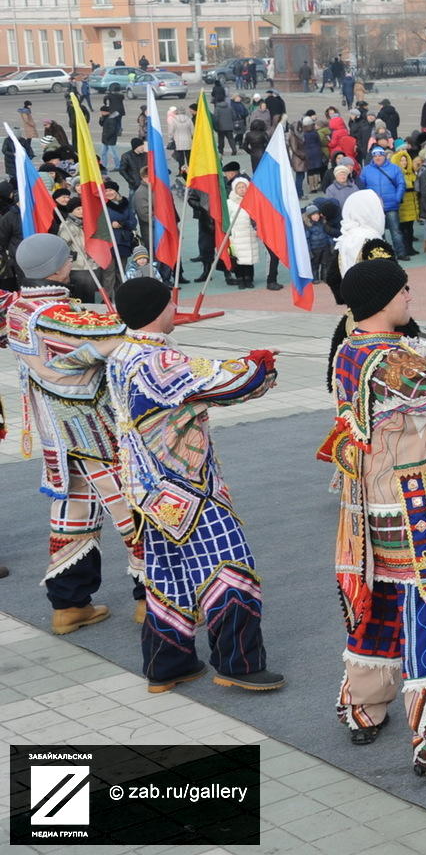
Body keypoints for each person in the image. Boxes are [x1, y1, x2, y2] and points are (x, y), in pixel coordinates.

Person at [321, 258, 426, 774]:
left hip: (372, 502)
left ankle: (364, 705)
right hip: (419, 504)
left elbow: (423, 360)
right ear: (387, 297)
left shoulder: (354, 349)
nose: (410, 298)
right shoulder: (392, 362)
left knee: (378, 608)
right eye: (404, 291)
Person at [106, 277, 283, 692]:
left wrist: (245, 365)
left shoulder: (123, 353)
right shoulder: (158, 362)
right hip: (189, 488)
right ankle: (238, 665)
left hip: (146, 489)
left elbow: (201, 378)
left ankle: (168, 664)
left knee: (167, 575)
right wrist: (260, 365)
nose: (174, 308)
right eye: (170, 302)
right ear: (158, 309)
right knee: (229, 566)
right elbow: (226, 384)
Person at [7, 233, 140, 636]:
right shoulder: (58, 315)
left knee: (73, 511)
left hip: (55, 435)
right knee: (130, 507)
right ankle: (152, 600)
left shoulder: (17, 309)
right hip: (93, 430)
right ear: (60, 266)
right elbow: (123, 328)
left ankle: (69, 604)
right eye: (68, 258)